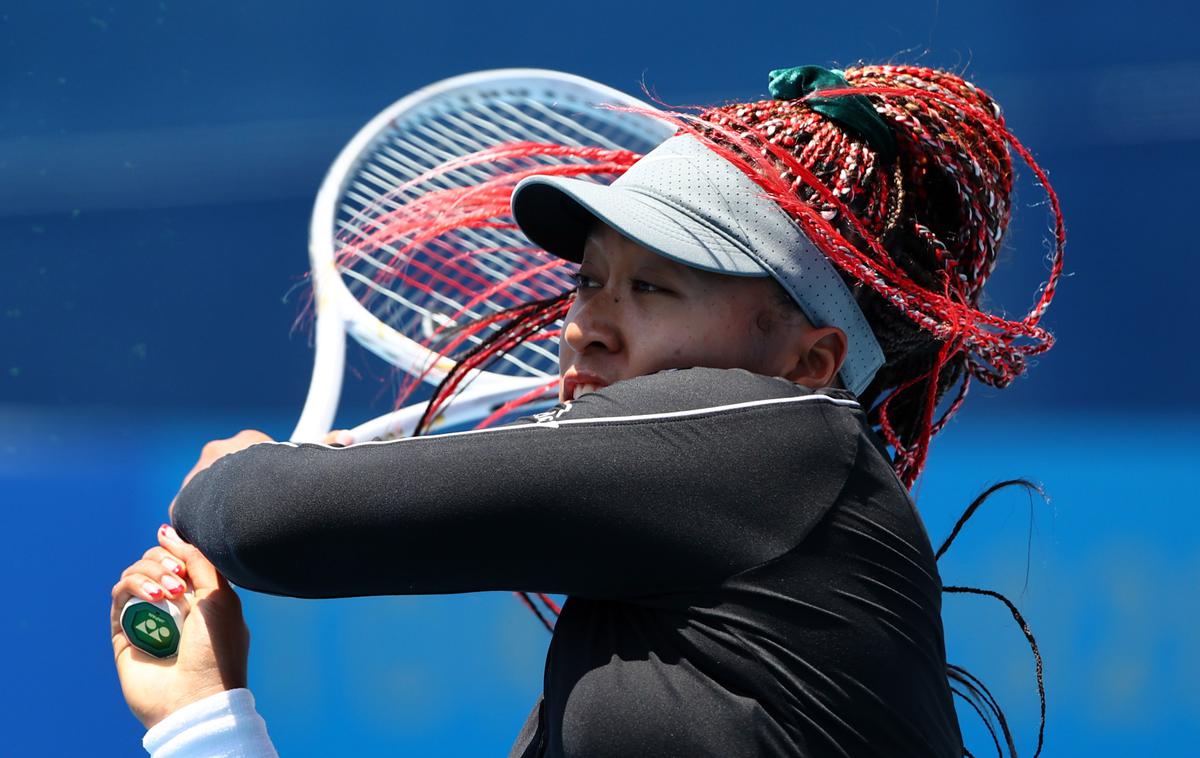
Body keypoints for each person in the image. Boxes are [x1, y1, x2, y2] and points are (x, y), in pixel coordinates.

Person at [111, 63, 1062, 757]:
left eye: (653, 291)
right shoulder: (614, 683)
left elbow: (269, 521)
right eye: (590, 283)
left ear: (809, 361)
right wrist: (203, 717)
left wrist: (229, 481)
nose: (590, 329)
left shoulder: (786, 443)